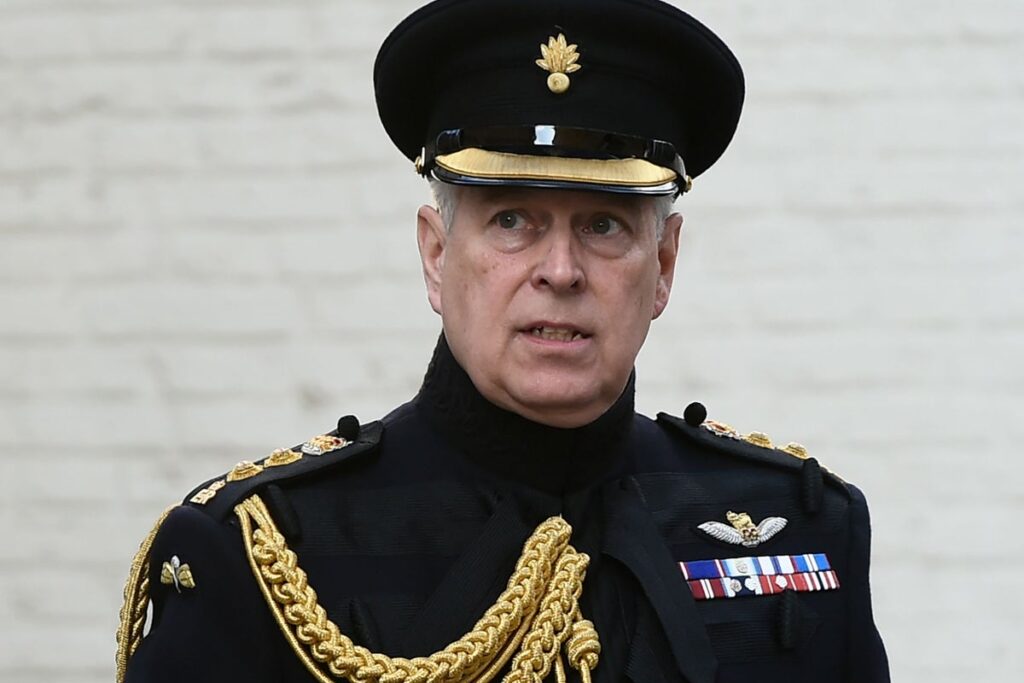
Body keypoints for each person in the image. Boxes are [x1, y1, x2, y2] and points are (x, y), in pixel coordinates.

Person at [116, 1, 890, 681]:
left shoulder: (800, 527)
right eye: (512, 220)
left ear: (662, 265)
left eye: (604, 224)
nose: (560, 270)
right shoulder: (268, 554)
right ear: (436, 255)